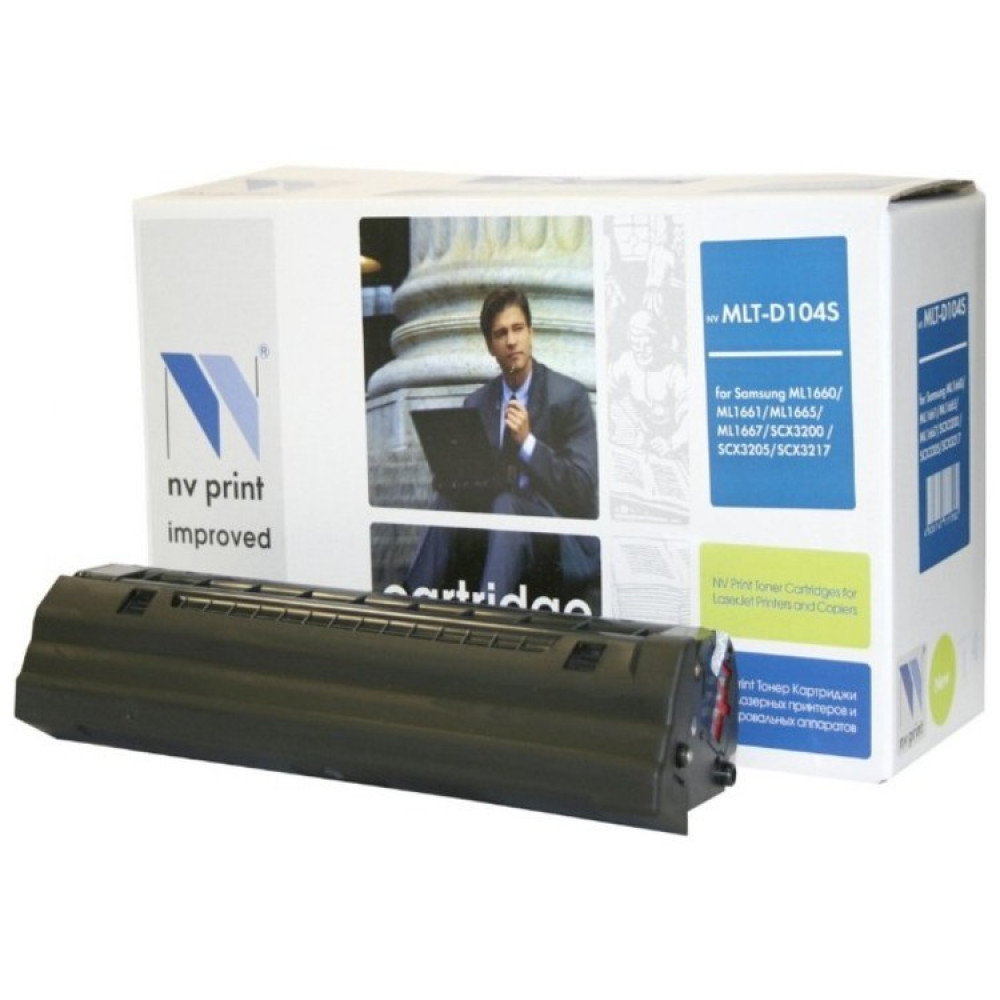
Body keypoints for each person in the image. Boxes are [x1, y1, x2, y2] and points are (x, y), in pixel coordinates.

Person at [405, 287, 599, 598]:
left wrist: (528, 443)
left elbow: (582, 490)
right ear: (489, 346)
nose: (511, 341)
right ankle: (411, 601)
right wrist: (451, 477)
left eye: (518, 329)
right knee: (447, 502)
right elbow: (471, 484)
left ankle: (489, 613)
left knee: (506, 503)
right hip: (494, 530)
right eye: (500, 334)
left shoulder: (568, 396)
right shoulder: (478, 403)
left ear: (531, 333)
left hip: (558, 538)